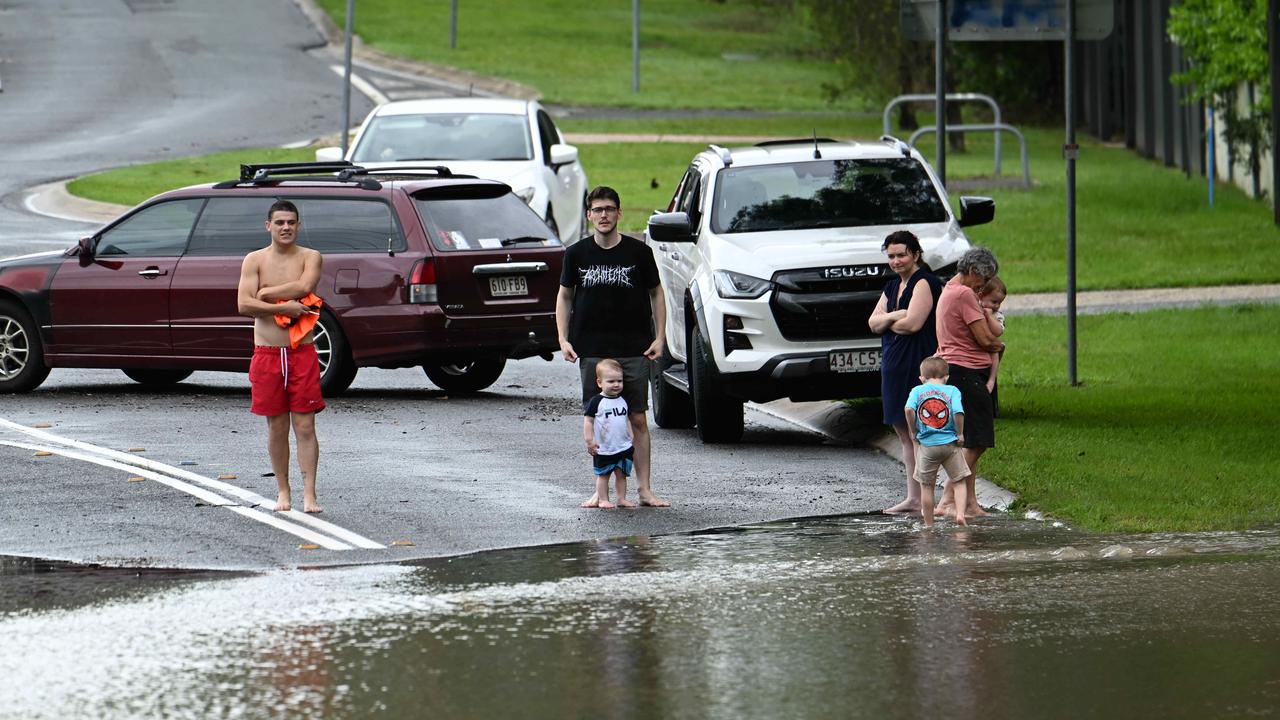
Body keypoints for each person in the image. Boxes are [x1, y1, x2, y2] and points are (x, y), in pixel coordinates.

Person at [556, 186, 670, 507]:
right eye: (597, 210)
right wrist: (563, 338)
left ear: (619, 213)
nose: (603, 215)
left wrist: (659, 337)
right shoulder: (576, 254)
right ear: (589, 215)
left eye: (609, 209)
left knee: (637, 419)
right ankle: (600, 489)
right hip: (591, 349)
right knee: (600, 420)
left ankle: (644, 489)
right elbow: (564, 297)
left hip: (634, 348)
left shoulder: (638, 253)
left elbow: (657, 294)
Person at [237, 200, 326, 514]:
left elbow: (305, 285)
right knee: (276, 427)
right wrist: (281, 306)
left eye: (291, 222)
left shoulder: (310, 257)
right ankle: (283, 492)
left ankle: (310, 494)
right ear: (268, 226)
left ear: (298, 226)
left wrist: (265, 293)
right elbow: (244, 305)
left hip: (301, 353)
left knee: (305, 426)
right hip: (268, 355)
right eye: (279, 223)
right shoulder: (254, 260)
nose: (285, 227)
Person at [867, 230, 943, 515]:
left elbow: (913, 324)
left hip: (916, 365)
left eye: (901, 255)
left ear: (915, 254)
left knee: (920, 433)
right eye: (891, 256)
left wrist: (890, 319)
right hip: (893, 366)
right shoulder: (890, 287)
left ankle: (926, 497)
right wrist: (894, 316)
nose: (896, 261)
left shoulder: (924, 282)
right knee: (903, 433)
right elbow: (872, 323)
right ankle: (912, 498)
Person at [933, 247, 1004, 518]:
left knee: (968, 441)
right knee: (978, 441)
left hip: (957, 370)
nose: (983, 287)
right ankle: (948, 499)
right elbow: (985, 339)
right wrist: (999, 346)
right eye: (983, 280)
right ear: (974, 272)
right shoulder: (963, 293)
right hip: (966, 373)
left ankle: (970, 503)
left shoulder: (951, 287)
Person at [905, 357, 971, 527]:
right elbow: (957, 411)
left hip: (927, 446)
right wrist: (960, 433)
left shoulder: (917, 391)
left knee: (927, 486)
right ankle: (961, 515)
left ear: (922, 378)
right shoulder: (952, 390)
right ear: (946, 377)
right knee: (959, 481)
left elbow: (909, 409)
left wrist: (913, 430)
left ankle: (929, 524)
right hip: (951, 445)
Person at [581, 359, 637, 509]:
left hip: (623, 446)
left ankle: (621, 498)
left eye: (619, 381)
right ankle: (603, 499)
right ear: (600, 382)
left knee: (621, 474)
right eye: (611, 381)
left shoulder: (622, 401)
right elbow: (588, 421)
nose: (616, 384)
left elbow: (627, 419)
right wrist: (589, 440)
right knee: (603, 475)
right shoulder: (597, 401)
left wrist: (631, 435)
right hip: (604, 447)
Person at [977, 275, 1007, 406]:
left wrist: (989, 316)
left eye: (999, 303)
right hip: (975, 343)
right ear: (981, 296)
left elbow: (998, 332)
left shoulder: (996, 314)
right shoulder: (974, 307)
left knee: (995, 350)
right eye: (994, 302)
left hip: (989, 345)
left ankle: (991, 379)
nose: (997, 306)